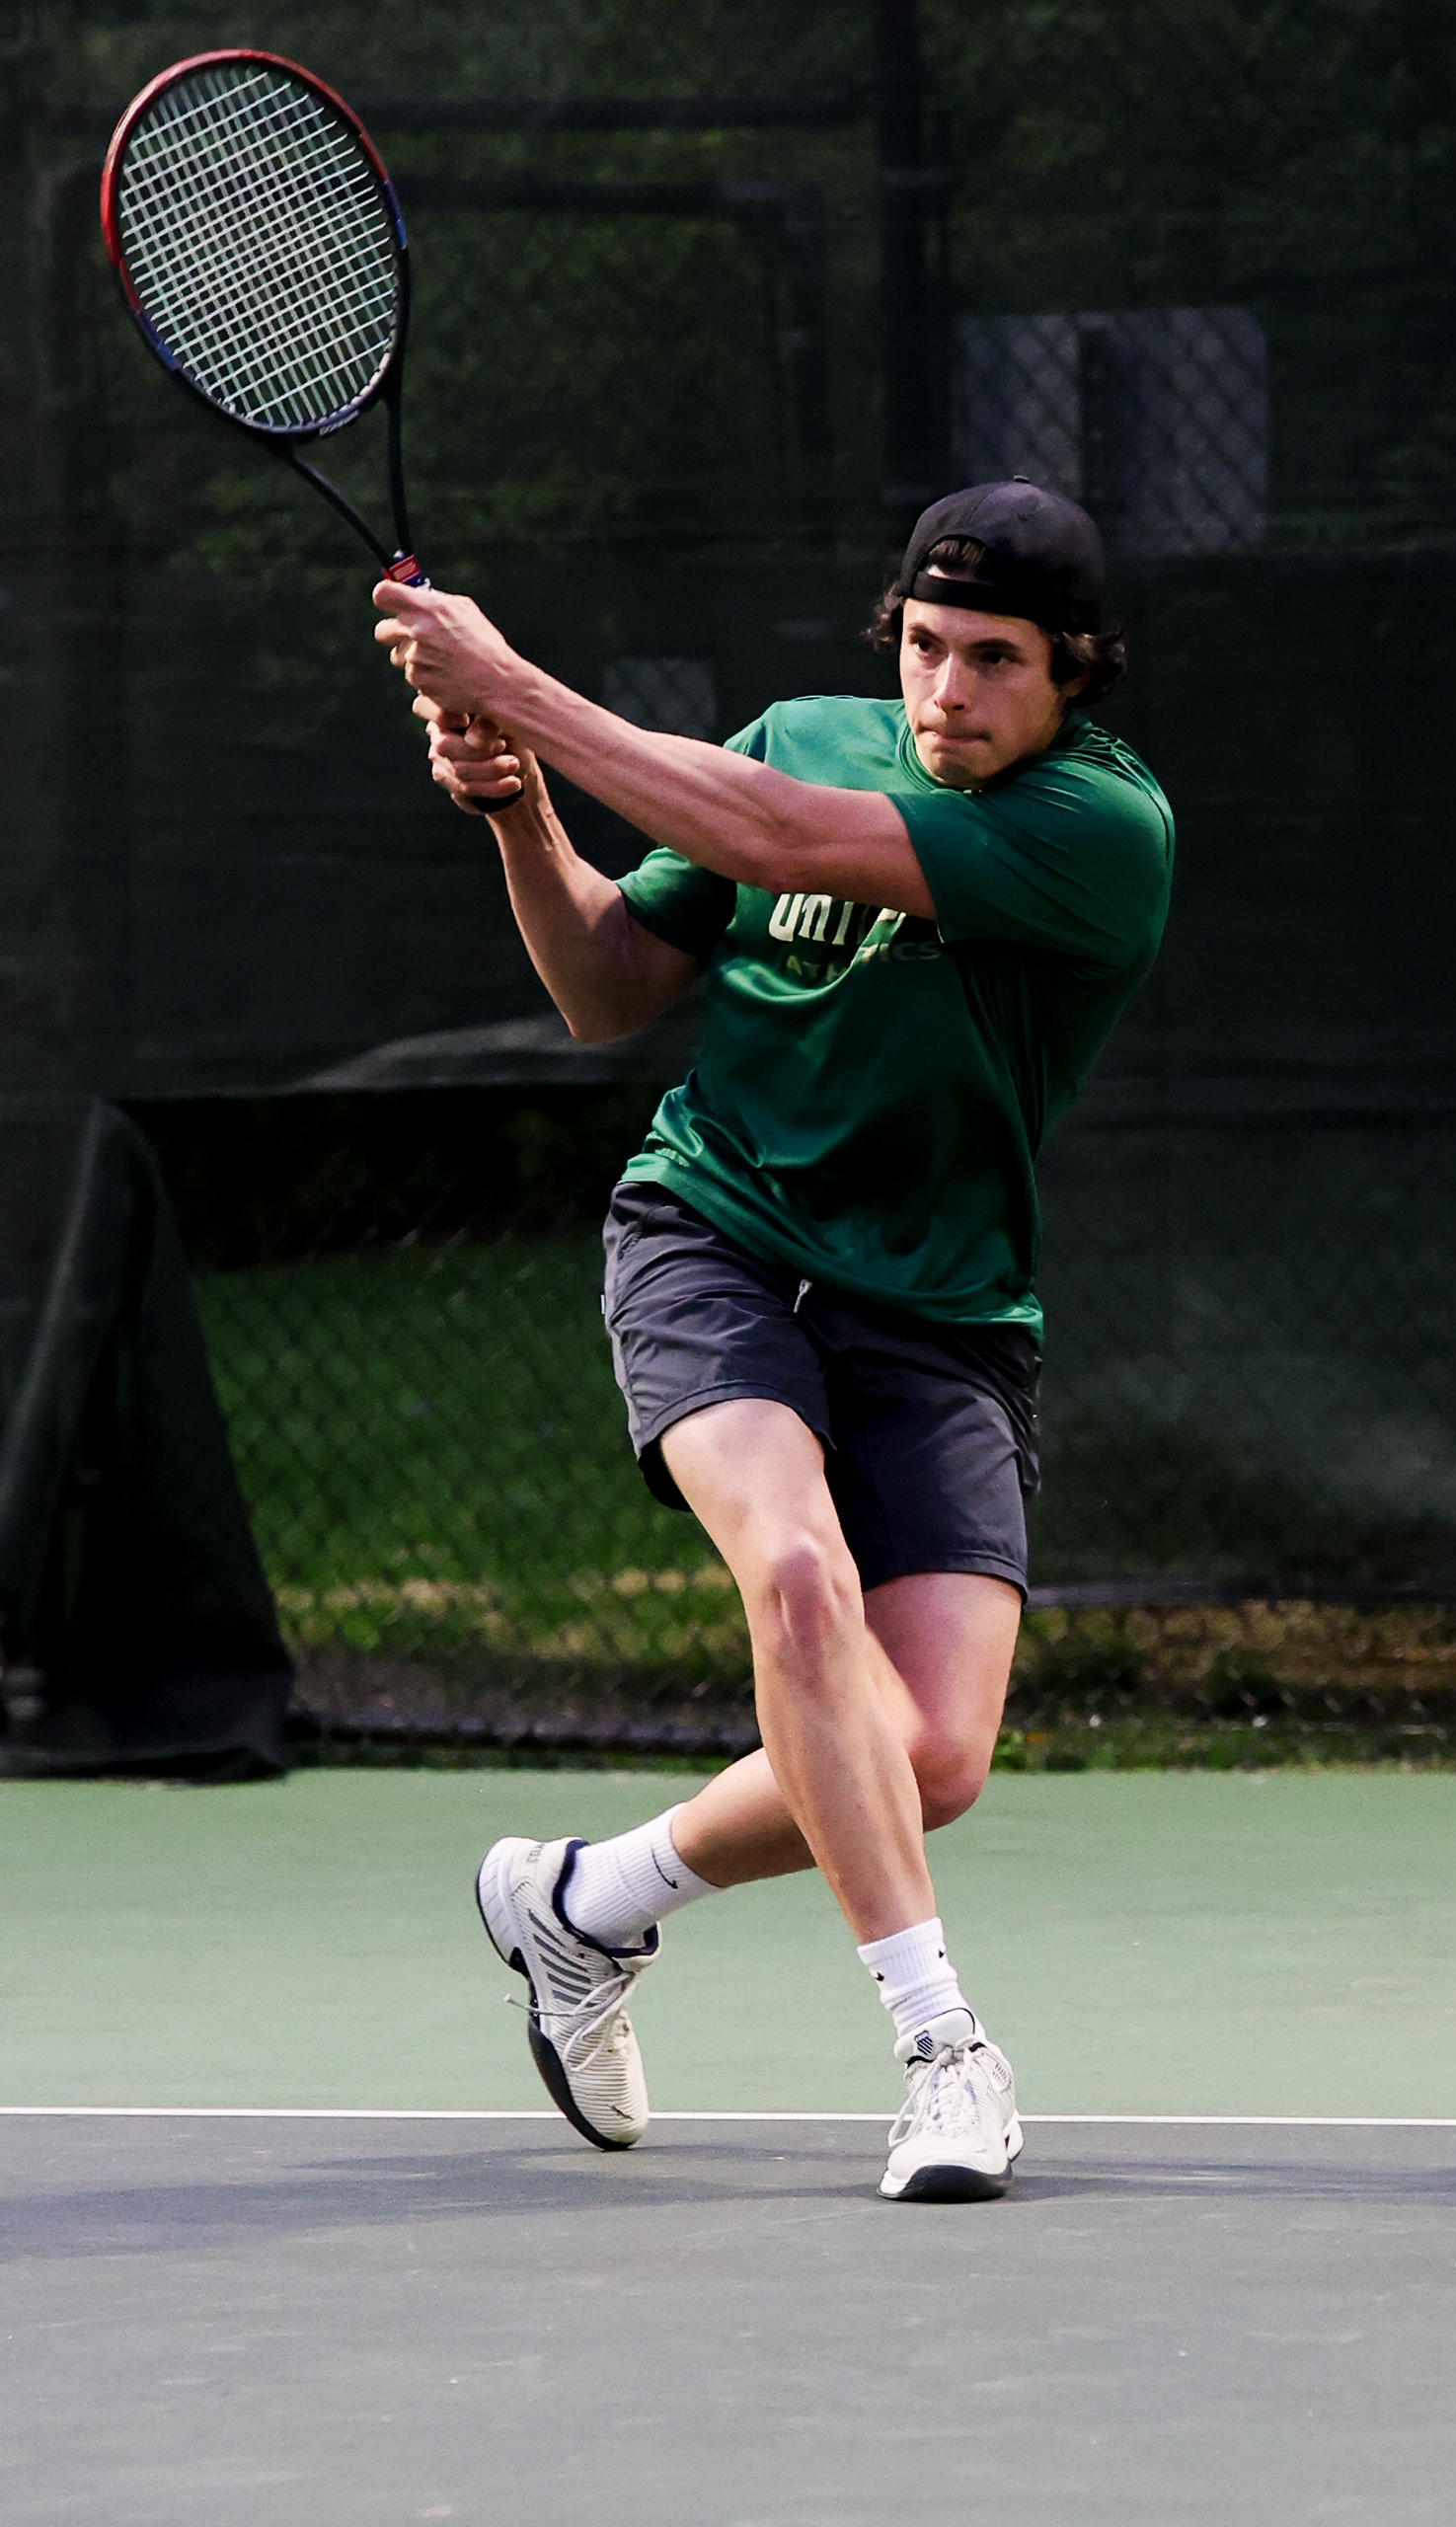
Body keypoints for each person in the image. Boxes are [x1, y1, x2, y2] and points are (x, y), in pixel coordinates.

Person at [371, 480, 1174, 2201]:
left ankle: (582, 1904)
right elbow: (606, 991)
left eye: (995, 663)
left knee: (933, 1758)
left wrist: (514, 690)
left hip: (943, 1307)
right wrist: (519, 814)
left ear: (1075, 678)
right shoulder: (810, 732)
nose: (947, 692)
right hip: (715, 1238)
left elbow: (790, 842)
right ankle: (946, 2052)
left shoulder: (1103, 830)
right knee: (795, 1579)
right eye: (925, 645)